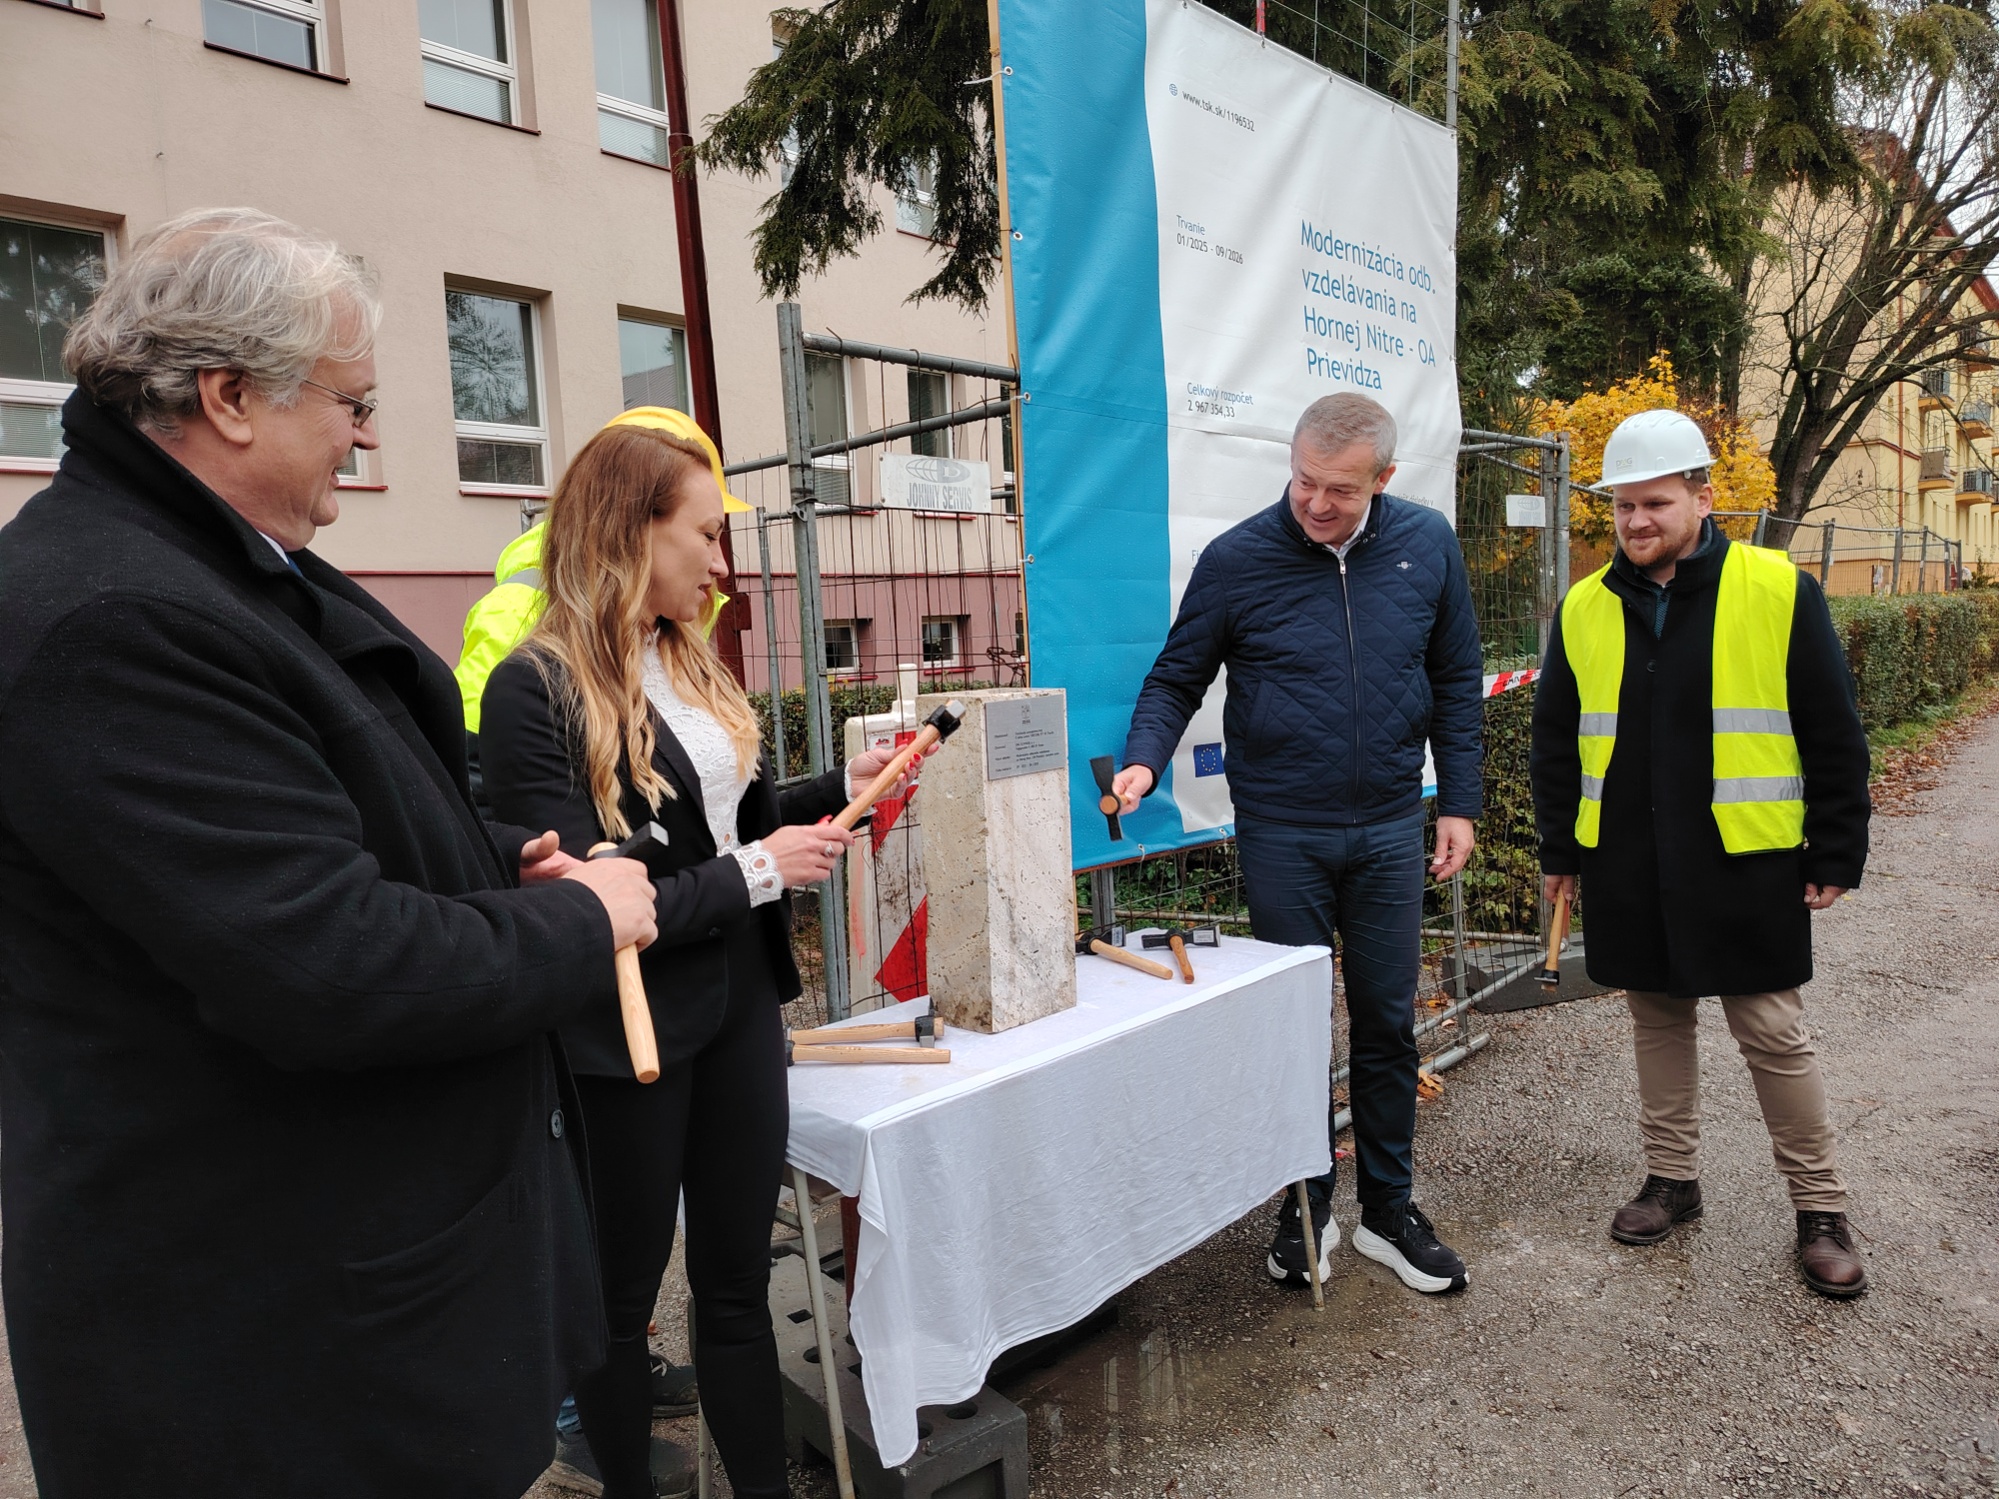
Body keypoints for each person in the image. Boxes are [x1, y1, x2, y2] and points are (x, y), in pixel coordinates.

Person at [0, 208, 661, 1497]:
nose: (366, 439)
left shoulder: (212, 564)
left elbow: (314, 817)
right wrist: (584, 920)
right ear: (230, 396)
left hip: (342, 1308)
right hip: (269, 1360)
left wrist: (490, 866)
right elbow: (330, 965)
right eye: (352, 404)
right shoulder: (111, 616)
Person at [479, 417, 912, 1499]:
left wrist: (842, 788)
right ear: (633, 530)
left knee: (734, 1288)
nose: (722, 564)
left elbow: (728, 828)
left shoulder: (686, 655)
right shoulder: (534, 687)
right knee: (621, 1305)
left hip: (738, 1007)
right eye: (706, 535)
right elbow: (587, 906)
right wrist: (761, 870)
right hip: (626, 1032)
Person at [1112, 392, 1483, 1296]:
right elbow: (1176, 677)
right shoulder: (1237, 558)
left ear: (1382, 478)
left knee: (1386, 1024)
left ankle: (1388, 1213)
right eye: (1304, 480)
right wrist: (1143, 759)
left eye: (1340, 490)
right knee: (1291, 1030)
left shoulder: (1426, 543)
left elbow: (1455, 678)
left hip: (1390, 825)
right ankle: (1305, 1209)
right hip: (1282, 831)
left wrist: (1459, 803)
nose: (1315, 503)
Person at [1529, 408, 1871, 1298]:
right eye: (1622, 506)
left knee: (1772, 1032)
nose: (1635, 521)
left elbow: (1832, 728)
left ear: (1703, 497)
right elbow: (1555, 742)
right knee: (1655, 1018)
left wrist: (1836, 845)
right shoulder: (1583, 606)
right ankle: (1671, 1180)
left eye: (1654, 503)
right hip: (1628, 855)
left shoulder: (1776, 588)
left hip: (1743, 857)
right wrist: (1560, 848)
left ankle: (1820, 1209)